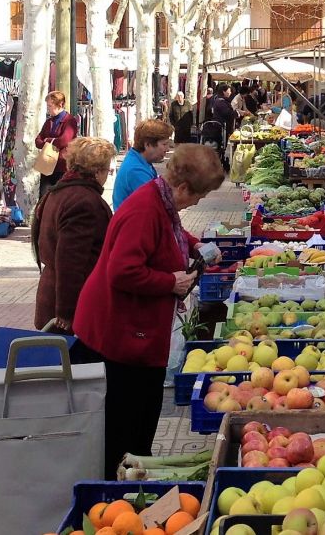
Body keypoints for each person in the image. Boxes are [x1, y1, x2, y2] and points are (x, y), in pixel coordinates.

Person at [72, 143, 227, 474]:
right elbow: (122, 271)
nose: (198, 202)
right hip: (118, 336)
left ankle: (130, 484)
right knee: (126, 427)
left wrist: (194, 242)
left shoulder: (160, 199)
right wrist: (169, 282)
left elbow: (169, 229)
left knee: (141, 417)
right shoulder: (145, 209)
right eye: (198, 195)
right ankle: (118, 494)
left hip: (133, 333)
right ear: (183, 187)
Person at [33, 137, 116, 332]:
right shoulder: (84, 202)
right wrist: (66, 313)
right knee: (73, 361)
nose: (108, 174)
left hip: (54, 294)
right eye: (107, 169)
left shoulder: (59, 192)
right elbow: (70, 262)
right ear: (96, 171)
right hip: (71, 304)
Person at [113, 119, 174, 210]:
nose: (168, 149)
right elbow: (156, 205)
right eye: (164, 144)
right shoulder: (136, 170)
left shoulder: (139, 160)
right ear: (148, 145)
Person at [35, 91, 79, 196]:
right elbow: (37, 141)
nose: (48, 108)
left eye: (50, 105)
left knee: (60, 197)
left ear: (60, 105)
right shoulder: (49, 121)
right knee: (44, 197)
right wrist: (52, 141)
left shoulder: (70, 121)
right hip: (46, 164)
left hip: (62, 166)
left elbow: (64, 140)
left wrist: (47, 140)